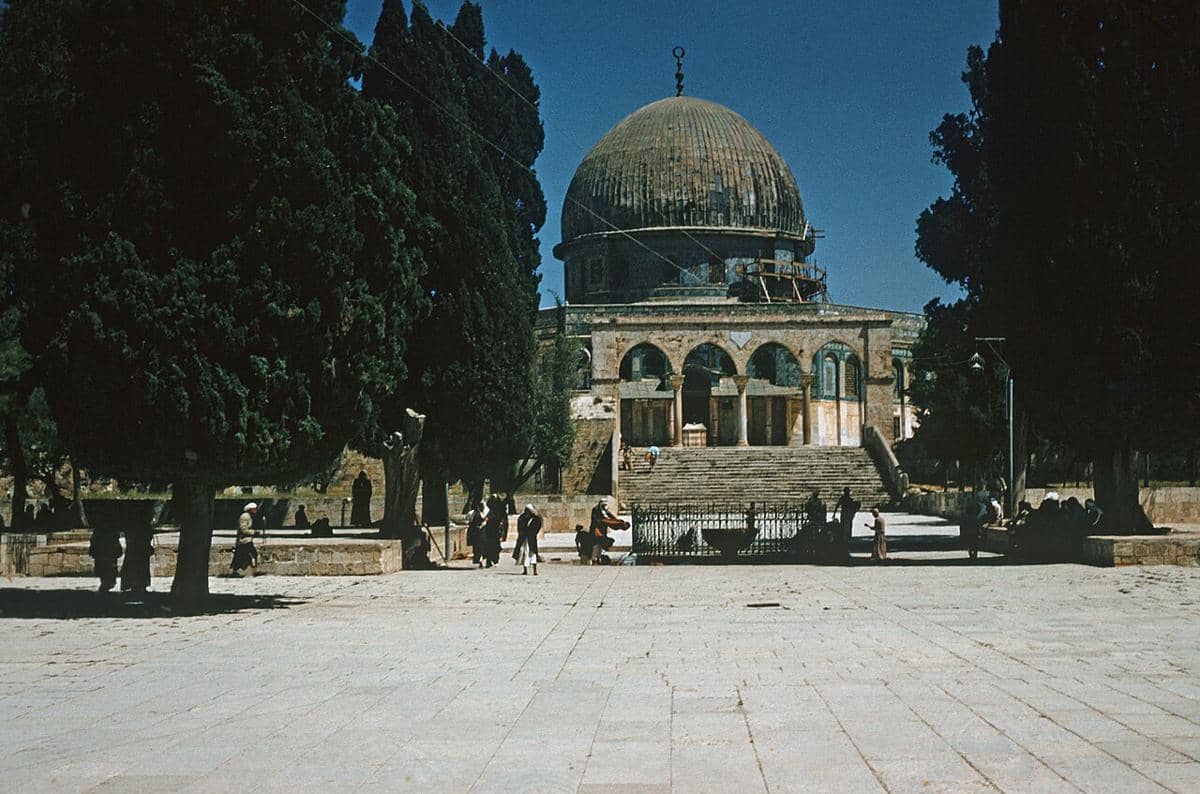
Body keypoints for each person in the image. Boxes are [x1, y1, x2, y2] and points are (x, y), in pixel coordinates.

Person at [88, 526, 122, 593]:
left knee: (106, 567)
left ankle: (106, 583)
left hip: (107, 550)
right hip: (106, 549)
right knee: (106, 567)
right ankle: (106, 583)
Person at [121, 526, 154, 594]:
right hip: (139, 544)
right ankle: (138, 584)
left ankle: (134, 584)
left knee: (134, 563)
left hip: (136, 544)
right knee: (140, 564)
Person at [231, 502, 260, 576]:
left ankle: (238, 571)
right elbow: (243, 529)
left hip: (246, 540)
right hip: (244, 540)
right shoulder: (245, 517)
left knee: (241, 555)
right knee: (251, 554)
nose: (255, 510)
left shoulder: (248, 516)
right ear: (250, 509)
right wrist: (254, 532)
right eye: (254, 509)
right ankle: (253, 570)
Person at [513, 504, 543, 575]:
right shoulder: (522, 518)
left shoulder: (535, 519)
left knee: (532, 554)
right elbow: (520, 527)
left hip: (531, 539)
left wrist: (532, 533)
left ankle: (534, 570)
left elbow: (537, 527)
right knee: (524, 553)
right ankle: (525, 569)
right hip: (524, 539)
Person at [482, 494, 506, 568]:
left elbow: (502, 520)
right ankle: (488, 561)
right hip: (489, 531)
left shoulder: (500, 510)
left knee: (495, 547)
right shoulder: (488, 510)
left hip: (496, 531)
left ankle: (495, 560)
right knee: (488, 546)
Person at [466, 500, 487, 567]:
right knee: (477, 546)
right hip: (476, 531)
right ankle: (479, 559)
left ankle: (480, 559)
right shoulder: (472, 513)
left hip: (480, 531)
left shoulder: (484, 513)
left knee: (481, 546)